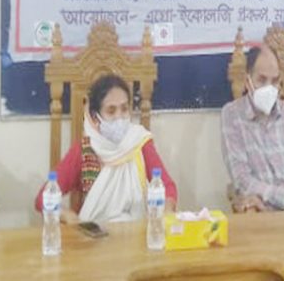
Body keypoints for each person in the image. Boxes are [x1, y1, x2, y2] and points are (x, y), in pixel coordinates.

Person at [34, 74, 177, 223]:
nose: (119, 117)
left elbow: (168, 187)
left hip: (136, 231)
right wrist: (67, 215)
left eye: (124, 109)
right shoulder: (85, 149)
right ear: (95, 117)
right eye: (111, 111)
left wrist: (166, 211)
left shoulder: (139, 142)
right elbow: (43, 198)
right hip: (95, 233)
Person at [221, 45, 284, 212]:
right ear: (248, 81)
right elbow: (242, 179)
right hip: (261, 214)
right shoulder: (232, 115)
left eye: (275, 81)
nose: (269, 87)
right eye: (262, 80)